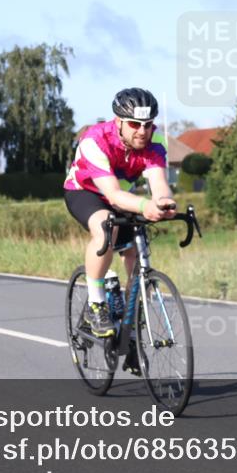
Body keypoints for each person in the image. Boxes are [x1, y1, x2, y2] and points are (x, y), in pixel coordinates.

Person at [64, 88, 177, 342]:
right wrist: (145, 205)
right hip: (86, 192)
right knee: (106, 226)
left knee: (137, 244)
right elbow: (113, 195)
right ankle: (96, 304)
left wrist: (164, 202)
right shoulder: (95, 141)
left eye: (148, 125)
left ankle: (132, 315)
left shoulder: (156, 141)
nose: (142, 131)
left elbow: (157, 182)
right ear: (119, 122)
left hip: (123, 197)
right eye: (135, 124)